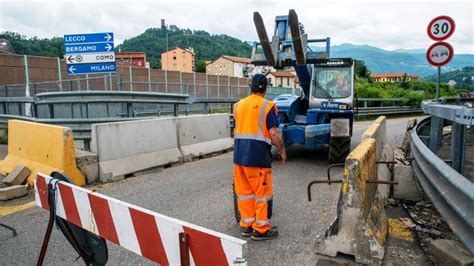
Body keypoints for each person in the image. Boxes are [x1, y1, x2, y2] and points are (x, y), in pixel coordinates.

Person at [233, 74, 286, 241]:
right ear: (266, 88)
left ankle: (246, 225)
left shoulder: (238, 105)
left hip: (239, 156)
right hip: (257, 156)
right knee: (261, 193)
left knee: (245, 193)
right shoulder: (267, 106)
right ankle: (261, 229)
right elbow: (273, 133)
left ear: (251, 86)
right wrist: (282, 150)